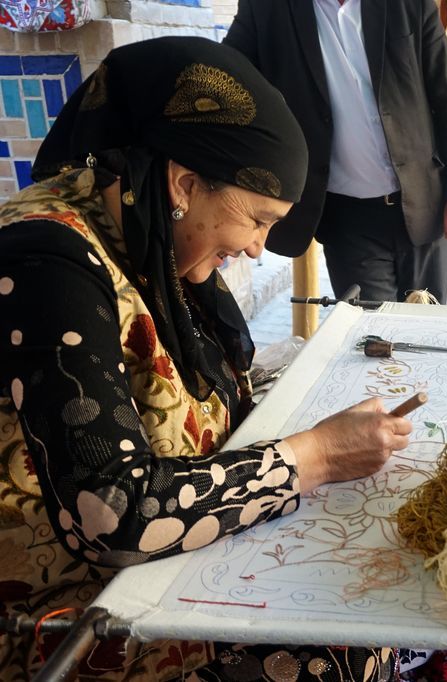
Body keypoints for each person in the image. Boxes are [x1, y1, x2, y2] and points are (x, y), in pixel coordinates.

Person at [0, 37, 412, 681]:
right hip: (73, 623)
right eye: (257, 220)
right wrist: (316, 457)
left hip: (166, 579)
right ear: (185, 184)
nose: (256, 250)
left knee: (371, 596)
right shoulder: (47, 263)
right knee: (330, 653)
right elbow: (111, 517)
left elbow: (216, 411)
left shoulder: (151, 242)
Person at [222, 0, 447, 304]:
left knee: (423, 328)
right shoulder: (268, 8)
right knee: (372, 335)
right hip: (347, 217)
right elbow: (226, 77)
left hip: (423, 201)